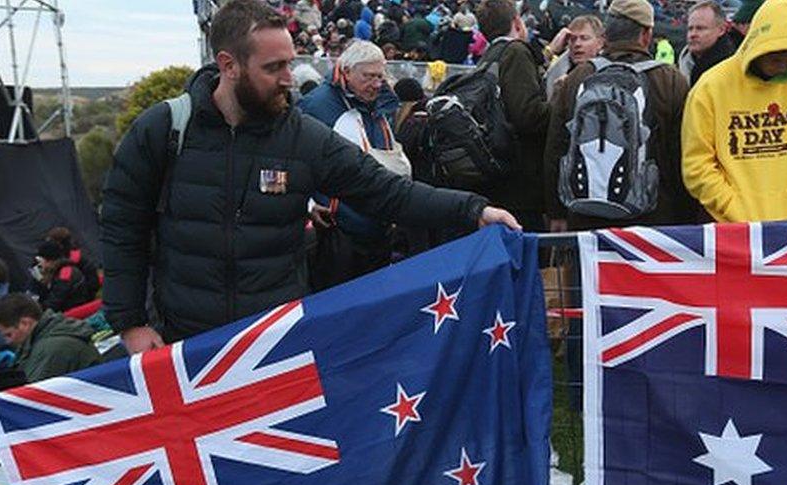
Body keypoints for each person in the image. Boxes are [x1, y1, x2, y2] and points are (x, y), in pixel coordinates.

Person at [101, 0, 519, 354]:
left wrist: (474, 210)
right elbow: (122, 227)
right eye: (274, 67)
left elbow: (386, 192)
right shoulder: (163, 129)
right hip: (185, 342)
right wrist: (130, 324)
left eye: (289, 63)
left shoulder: (302, 136)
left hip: (275, 342)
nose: (289, 78)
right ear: (228, 66)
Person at [681, 0, 787, 222]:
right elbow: (697, 165)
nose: (784, 67)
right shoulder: (711, 86)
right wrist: (731, 206)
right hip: (727, 224)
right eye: (775, 58)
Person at [545, 0, 695, 230]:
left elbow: (556, 147)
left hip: (586, 217)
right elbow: (682, 155)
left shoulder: (577, 78)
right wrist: (685, 217)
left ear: (607, 34)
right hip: (653, 219)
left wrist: (557, 212)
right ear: (646, 34)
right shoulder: (670, 80)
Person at [299, 40, 409, 289]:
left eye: (380, 76)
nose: (376, 84)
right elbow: (294, 158)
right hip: (340, 232)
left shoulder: (379, 105)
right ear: (346, 72)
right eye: (368, 77)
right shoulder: (317, 106)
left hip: (378, 228)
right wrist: (309, 204)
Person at [475, 0, 550, 231]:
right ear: (517, 22)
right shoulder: (516, 51)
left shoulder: (488, 57)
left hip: (498, 180)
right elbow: (528, 115)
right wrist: (562, 99)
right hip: (521, 185)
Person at [0, 293, 100, 383]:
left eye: (9, 335)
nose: (8, 341)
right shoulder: (42, 337)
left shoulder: (50, 349)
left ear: (25, 323)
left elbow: (31, 397)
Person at [542, 15, 606, 97]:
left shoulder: (609, 73)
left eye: (584, 38)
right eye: (573, 39)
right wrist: (550, 50)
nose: (577, 44)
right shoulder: (557, 72)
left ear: (600, 43)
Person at [681, 1, 736, 85]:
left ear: (721, 30)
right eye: (690, 29)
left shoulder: (732, 69)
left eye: (700, 28)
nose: (693, 34)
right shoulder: (683, 64)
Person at [31, 240, 91, 313]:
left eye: (41, 260)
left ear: (49, 260)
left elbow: (54, 302)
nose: (39, 264)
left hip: (70, 313)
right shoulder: (57, 270)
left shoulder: (65, 274)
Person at [45, 226, 101, 300]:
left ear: (59, 244)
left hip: (83, 297)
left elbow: (62, 289)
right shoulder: (75, 254)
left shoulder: (70, 264)